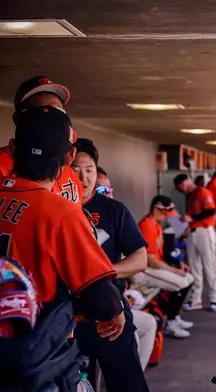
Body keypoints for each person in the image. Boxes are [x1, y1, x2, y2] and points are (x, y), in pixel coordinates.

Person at [0, 106, 126, 389]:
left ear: (13, 148)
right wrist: (114, 312)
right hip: (34, 353)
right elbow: (101, 297)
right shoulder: (60, 211)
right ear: (69, 157)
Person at [72, 138, 149, 392]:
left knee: (128, 384)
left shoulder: (114, 210)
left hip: (110, 313)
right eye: (76, 170)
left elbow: (140, 259)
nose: (84, 178)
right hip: (67, 318)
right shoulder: (57, 209)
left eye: (89, 170)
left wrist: (101, 273)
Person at [94, 168, 157, 369]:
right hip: (94, 307)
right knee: (130, 342)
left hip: (118, 296)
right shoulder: (79, 218)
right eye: (101, 189)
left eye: (107, 189)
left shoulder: (116, 214)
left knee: (148, 324)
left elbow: (140, 259)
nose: (106, 194)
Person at [0, 76, 83, 205]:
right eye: (43, 111)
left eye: (58, 111)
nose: (52, 117)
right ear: (18, 119)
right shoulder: (2, 166)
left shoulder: (66, 166)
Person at [134, 195, 196, 339]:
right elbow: (150, 260)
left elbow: (162, 252)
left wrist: (178, 264)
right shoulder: (147, 225)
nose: (167, 217)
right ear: (156, 209)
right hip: (143, 270)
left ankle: (173, 317)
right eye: (164, 213)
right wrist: (175, 271)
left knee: (189, 279)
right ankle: (171, 322)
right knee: (180, 283)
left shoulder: (156, 225)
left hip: (154, 266)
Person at [174, 173, 216, 312]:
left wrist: (192, 217)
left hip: (205, 231)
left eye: (180, 188)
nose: (181, 191)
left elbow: (211, 211)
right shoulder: (190, 196)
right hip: (192, 232)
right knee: (195, 267)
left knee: (210, 266)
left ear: (184, 183)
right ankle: (196, 299)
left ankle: (214, 300)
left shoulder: (202, 192)